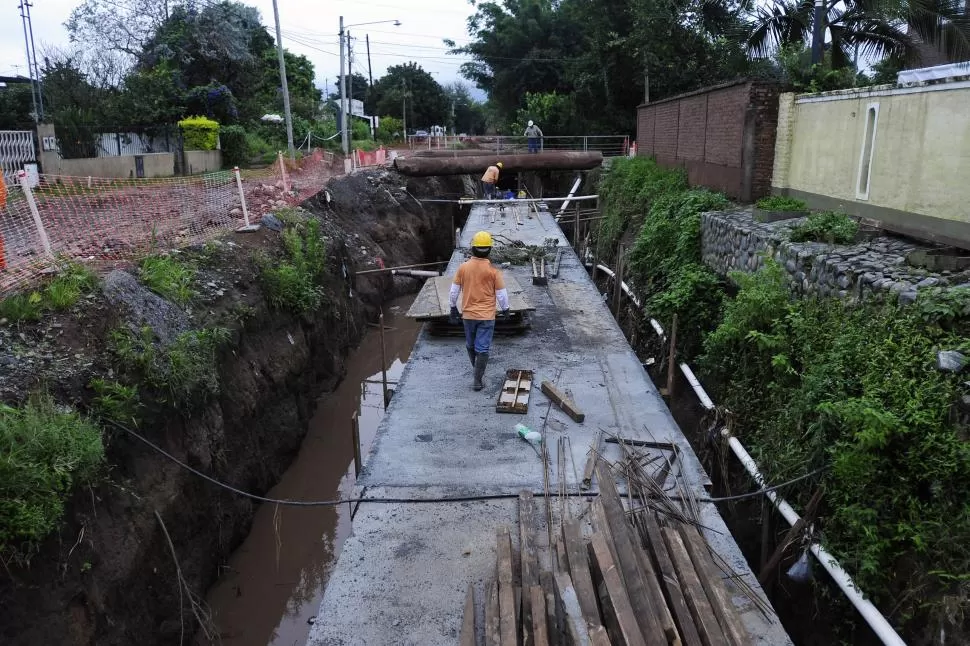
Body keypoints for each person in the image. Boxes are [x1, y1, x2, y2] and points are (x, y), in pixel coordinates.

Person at [449, 231, 510, 391]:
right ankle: (477, 379)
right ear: (489, 250)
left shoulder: (463, 268)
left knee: (470, 344)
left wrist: (453, 307)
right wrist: (506, 309)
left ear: (473, 249)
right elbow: (501, 294)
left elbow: (454, 291)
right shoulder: (493, 271)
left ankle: (476, 369)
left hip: (468, 315)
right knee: (482, 348)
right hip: (486, 317)